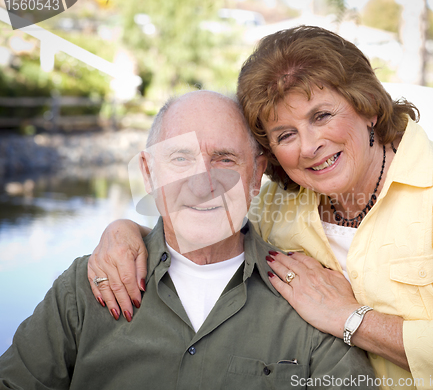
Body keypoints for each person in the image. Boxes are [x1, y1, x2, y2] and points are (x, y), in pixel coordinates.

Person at [87, 27, 433, 389]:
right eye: (286, 134)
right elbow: (202, 233)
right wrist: (125, 230)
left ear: (369, 107)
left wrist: (350, 318)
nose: (308, 146)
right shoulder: (277, 204)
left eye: (321, 116)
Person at [0, 91, 378, 390]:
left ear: (256, 174)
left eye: (225, 159)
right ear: (149, 174)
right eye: (180, 159)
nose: (203, 182)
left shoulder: (313, 298)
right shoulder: (85, 288)